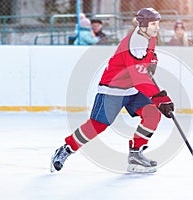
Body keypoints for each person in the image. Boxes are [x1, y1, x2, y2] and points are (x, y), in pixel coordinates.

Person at [50, 8, 174, 173]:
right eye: (153, 24)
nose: (156, 27)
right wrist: (159, 98)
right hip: (113, 89)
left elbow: (147, 59)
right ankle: (66, 149)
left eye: (157, 23)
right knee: (97, 126)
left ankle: (135, 154)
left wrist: (152, 60)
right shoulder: (134, 43)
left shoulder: (150, 36)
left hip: (132, 88)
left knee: (152, 114)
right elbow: (138, 77)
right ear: (142, 25)